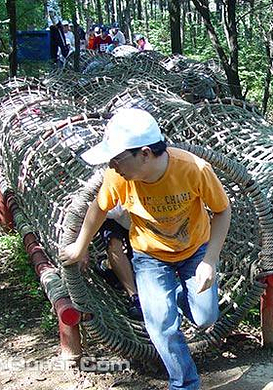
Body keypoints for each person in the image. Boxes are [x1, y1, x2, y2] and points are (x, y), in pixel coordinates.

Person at [60, 108, 231, 390]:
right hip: (150, 255)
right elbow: (99, 208)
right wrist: (80, 246)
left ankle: (173, 295)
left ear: (145, 153)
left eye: (117, 158)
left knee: (205, 317)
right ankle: (184, 383)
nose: (113, 165)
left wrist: (210, 261)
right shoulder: (119, 178)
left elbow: (222, 211)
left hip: (194, 250)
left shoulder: (193, 169)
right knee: (161, 324)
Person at [96, 203, 142, 320]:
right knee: (113, 243)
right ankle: (134, 296)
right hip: (107, 212)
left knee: (137, 256)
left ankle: (107, 266)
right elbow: (110, 210)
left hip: (134, 219)